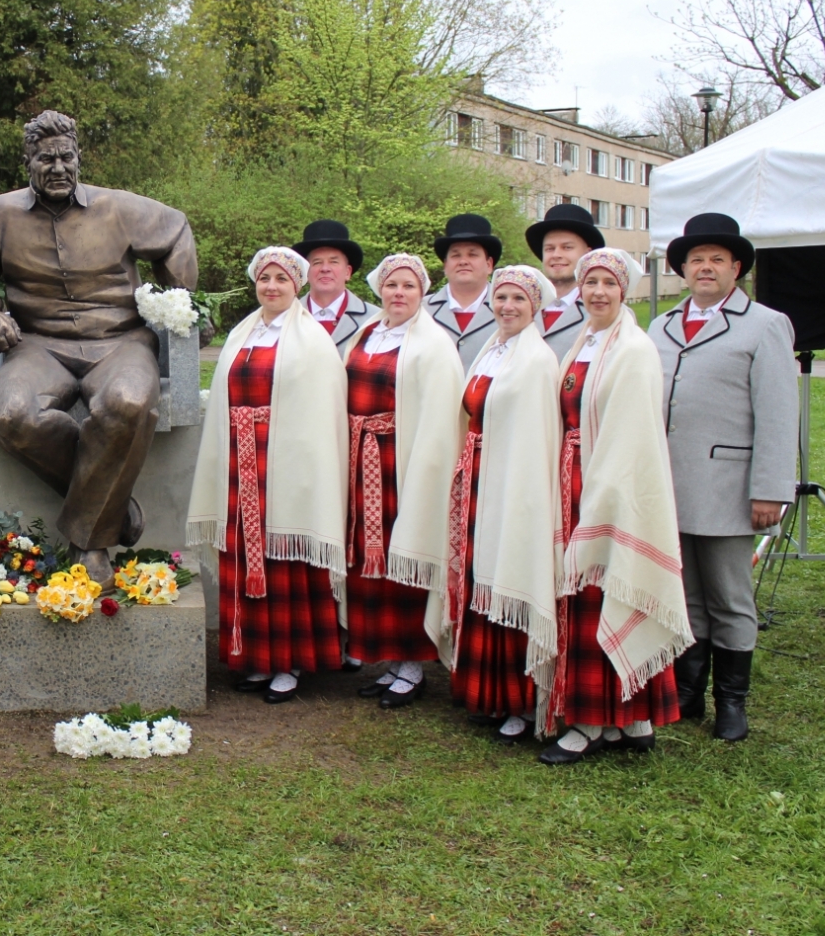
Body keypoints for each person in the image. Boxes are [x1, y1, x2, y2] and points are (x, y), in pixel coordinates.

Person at [0, 110, 198, 577]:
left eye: (67, 157)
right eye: (47, 159)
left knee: (128, 402)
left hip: (120, 341)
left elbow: (177, 231)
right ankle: (114, 504)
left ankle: (91, 546)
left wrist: (181, 302)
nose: (59, 168)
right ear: (28, 161)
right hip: (39, 345)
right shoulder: (3, 212)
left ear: (79, 158)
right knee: (10, 414)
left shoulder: (118, 207)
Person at [541, 248, 691, 765]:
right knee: (581, 599)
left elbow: (631, 436)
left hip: (608, 486)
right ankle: (611, 715)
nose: (598, 292)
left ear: (624, 291)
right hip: (571, 476)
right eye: (591, 283)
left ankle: (602, 720)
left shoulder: (633, 349)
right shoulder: (583, 342)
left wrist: (599, 496)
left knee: (603, 590)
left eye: (609, 283)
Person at [650, 213, 796, 742]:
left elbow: (779, 413)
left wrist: (771, 489)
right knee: (686, 594)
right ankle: (688, 692)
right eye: (696, 260)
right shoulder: (659, 326)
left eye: (717, 259)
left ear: (737, 268)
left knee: (730, 596)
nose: (706, 268)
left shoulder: (766, 325)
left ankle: (731, 702)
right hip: (666, 485)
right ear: (683, 270)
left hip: (728, 487)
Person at [187, 247, 350, 703]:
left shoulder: (312, 339)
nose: (272, 286)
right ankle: (257, 657)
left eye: (281, 278)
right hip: (242, 462)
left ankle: (291, 662)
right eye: (265, 279)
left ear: (296, 285)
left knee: (284, 560)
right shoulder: (244, 332)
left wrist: (295, 463)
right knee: (242, 556)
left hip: (286, 466)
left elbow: (319, 414)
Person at [435, 265, 560, 743]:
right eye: (501, 298)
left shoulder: (536, 359)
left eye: (518, 301)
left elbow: (532, 436)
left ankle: (521, 701)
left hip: (513, 483)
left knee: (508, 578)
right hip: (480, 476)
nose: (507, 307)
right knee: (477, 577)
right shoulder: (493, 349)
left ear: (535, 308)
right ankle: (485, 693)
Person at [344, 254, 465, 708]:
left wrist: (425, 473)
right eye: (392, 285)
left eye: (409, 287)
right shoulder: (368, 333)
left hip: (403, 462)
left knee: (406, 558)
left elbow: (439, 417)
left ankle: (413, 665)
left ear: (422, 293)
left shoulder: (434, 344)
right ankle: (390, 659)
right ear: (380, 290)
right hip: (362, 459)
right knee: (369, 561)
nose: (399, 294)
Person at [526, 204, 604, 360]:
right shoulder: (523, 305)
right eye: (549, 248)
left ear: (587, 254)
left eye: (567, 247)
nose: (556, 255)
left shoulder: (607, 310)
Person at [293, 219, 379, 355]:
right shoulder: (287, 318)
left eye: (334, 262)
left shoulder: (375, 320)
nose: (325, 268)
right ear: (305, 272)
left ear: (348, 272)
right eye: (317, 262)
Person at [425, 215, 501, 369]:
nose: (463, 261)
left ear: (489, 264)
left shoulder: (511, 310)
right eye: (455, 255)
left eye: (472, 254)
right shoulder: (421, 310)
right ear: (445, 265)